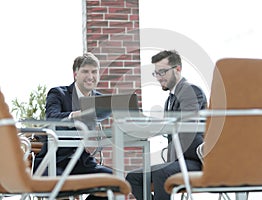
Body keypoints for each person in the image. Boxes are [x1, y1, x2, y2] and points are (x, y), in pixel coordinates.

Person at [126, 50, 207, 200]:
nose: (159, 78)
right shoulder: (169, 99)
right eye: (156, 73)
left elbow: (186, 125)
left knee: (161, 173)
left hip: (194, 160)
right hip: (177, 161)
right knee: (133, 177)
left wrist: (154, 123)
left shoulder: (191, 91)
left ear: (178, 69)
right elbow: (169, 126)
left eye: (162, 72)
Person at [34, 52, 112, 200]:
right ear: (75, 74)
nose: (90, 76)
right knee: (60, 187)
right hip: (54, 161)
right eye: (85, 71)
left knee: (113, 181)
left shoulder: (101, 100)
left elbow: (119, 113)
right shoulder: (58, 93)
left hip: (82, 162)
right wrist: (78, 114)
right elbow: (52, 118)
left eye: (94, 72)